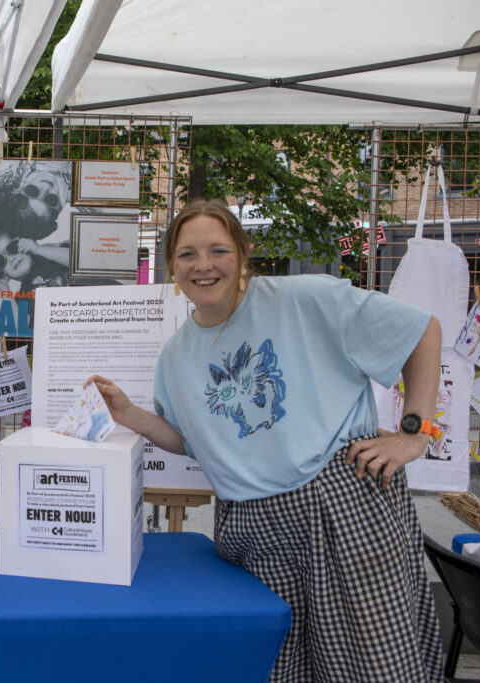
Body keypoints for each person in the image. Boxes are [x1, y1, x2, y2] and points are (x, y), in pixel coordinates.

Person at [87, 198, 445, 682]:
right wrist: (130, 414)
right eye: (188, 254)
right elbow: (192, 440)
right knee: (280, 667)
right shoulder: (175, 356)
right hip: (251, 524)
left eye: (218, 250)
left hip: (340, 501)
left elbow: (421, 331)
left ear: (243, 252)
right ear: (172, 265)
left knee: (372, 664)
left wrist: (415, 433)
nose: (204, 265)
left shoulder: (307, 297)